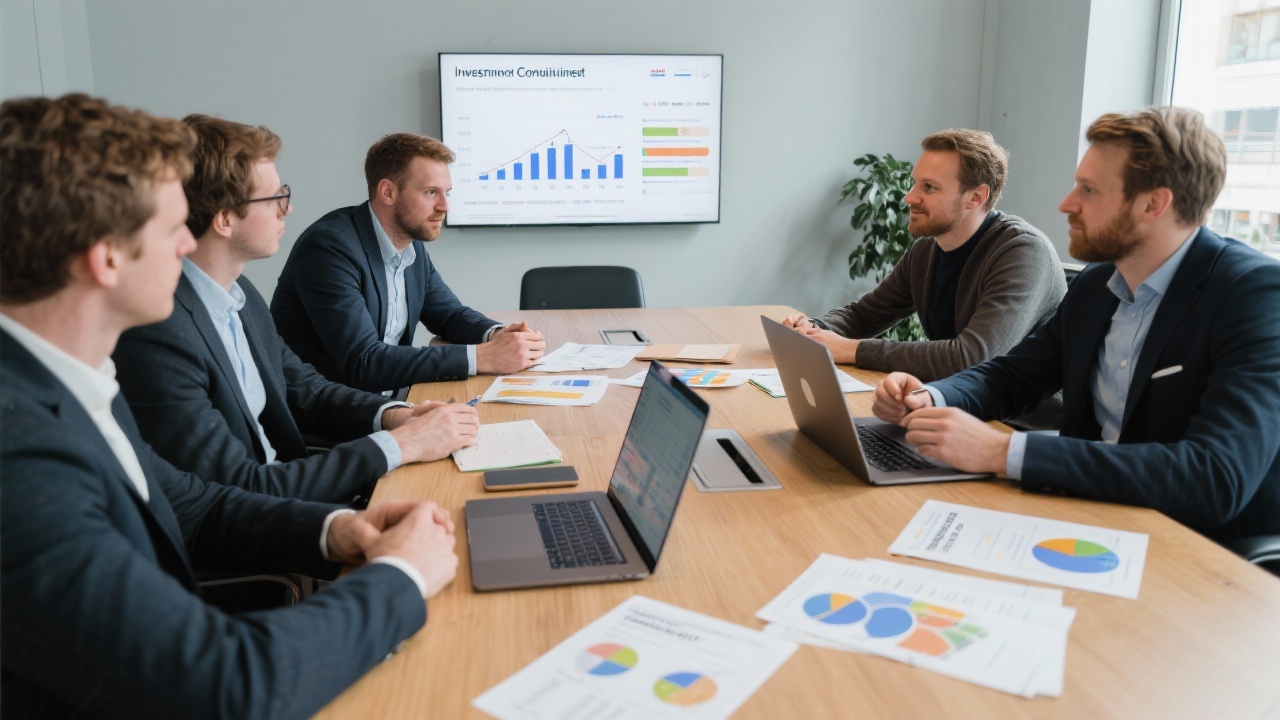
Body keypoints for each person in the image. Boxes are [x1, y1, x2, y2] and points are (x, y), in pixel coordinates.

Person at [0, 94, 458, 719]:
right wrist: (402, 577)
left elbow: (190, 501)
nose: (185, 247)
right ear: (106, 257)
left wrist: (337, 530)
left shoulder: (67, 379)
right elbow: (225, 686)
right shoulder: (19, 457)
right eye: (169, 229)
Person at [873, 107, 1280, 546]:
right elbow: (1012, 376)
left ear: (1153, 203)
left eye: (1088, 189)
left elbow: (1215, 477)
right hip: (1086, 513)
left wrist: (1001, 451)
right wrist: (929, 396)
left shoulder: (1254, 296)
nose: (1066, 204)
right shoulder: (1097, 285)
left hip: (1192, 545)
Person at [113, 115, 478, 504]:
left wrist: (396, 415)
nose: (286, 209)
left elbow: (307, 390)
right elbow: (236, 491)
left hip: (293, 488)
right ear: (223, 218)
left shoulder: (239, 294)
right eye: (273, 198)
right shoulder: (159, 332)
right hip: (262, 523)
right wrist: (396, 447)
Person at [270, 133, 545, 393]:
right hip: (335, 412)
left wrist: (496, 335)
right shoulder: (329, 249)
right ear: (388, 192)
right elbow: (363, 363)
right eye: (430, 192)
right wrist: (481, 357)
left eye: (446, 192)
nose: (445, 207)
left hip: (391, 396)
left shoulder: (410, 245)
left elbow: (448, 315)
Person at [783, 129, 1065, 382]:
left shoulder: (1024, 253)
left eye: (929, 187)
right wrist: (814, 329)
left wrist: (850, 349)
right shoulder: (927, 250)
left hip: (1017, 425)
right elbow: (865, 315)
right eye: (914, 183)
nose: (909, 197)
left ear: (976, 197)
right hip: (953, 404)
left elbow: (973, 357)